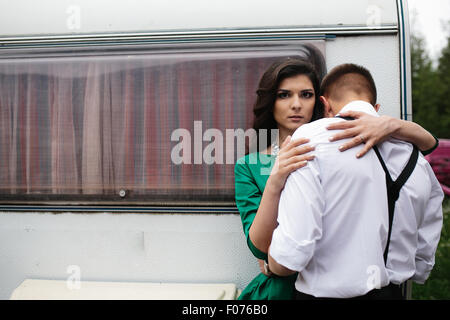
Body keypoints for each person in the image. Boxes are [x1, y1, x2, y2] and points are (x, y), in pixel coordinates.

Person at [234, 55, 440, 300]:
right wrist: (275, 180)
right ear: (271, 101)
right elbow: (258, 247)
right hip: (283, 288)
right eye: (284, 95)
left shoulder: (345, 147)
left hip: (343, 285)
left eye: (306, 94)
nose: (296, 104)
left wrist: (393, 125)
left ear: (321, 102)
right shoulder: (250, 164)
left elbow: (427, 149)